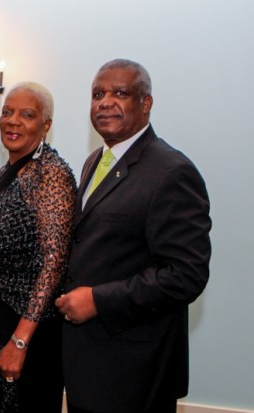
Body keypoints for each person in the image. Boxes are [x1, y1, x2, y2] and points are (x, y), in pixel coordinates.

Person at [55, 59, 212, 413]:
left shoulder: (172, 171)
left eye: (120, 93)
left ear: (146, 103)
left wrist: (98, 300)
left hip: (135, 370)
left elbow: (186, 275)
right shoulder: (95, 161)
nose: (105, 102)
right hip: (89, 363)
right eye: (97, 94)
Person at [0, 82, 76, 413]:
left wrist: (20, 341)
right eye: (7, 112)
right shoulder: (10, 172)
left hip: (25, 334)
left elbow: (54, 264)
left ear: (46, 125)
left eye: (27, 114)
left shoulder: (51, 174)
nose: (13, 120)